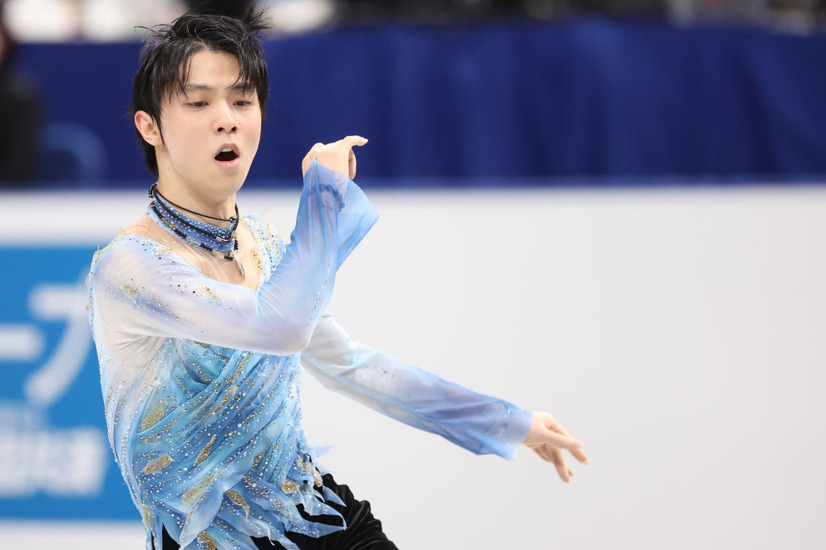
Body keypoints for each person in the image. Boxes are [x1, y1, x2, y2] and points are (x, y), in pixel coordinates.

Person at [86, 10, 588, 550]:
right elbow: (278, 327)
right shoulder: (129, 267)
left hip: (316, 518)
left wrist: (505, 421)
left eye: (242, 99)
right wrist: (324, 202)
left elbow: (351, 365)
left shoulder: (271, 247)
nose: (226, 119)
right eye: (199, 102)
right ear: (149, 126)